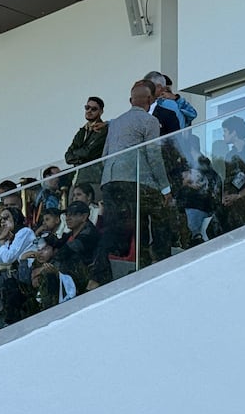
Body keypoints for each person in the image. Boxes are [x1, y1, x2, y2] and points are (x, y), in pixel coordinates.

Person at [93, 81, 174, 288]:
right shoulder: (150, 120)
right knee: (161, 212)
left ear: (130, 101)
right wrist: (165, 188)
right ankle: (160, 259)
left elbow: (104, 156)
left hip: (109, 181)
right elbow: (153, 155)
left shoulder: (115, 123)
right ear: (150, 100)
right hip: (135, 181)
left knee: (115, 226)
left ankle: (100, 274)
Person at [64, 97, 108, 190]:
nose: (89, 111)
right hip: (78, 179)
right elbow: (67, 156)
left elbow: (89, 153)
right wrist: (80, 157)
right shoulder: (83, 130)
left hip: (94, 179)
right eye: (87, 107)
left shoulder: (102, 129)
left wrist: (75, 154)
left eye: (94, 109)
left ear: (101, 112)